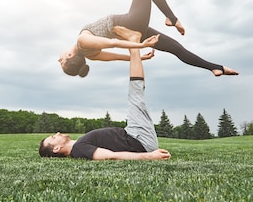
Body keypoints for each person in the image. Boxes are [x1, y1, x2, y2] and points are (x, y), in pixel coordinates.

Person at [58, 0, 239, 78]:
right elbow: (114, 45)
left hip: (133, 32)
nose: (59, 59)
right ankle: (172, 18)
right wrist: (141, 45)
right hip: (130, 24)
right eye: (62, 61)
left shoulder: (92, 56)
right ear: (70, 55)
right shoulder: (83, 41)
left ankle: (215, 68)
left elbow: (119, 57)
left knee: (174, 47)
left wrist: (142, 58)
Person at [40, 29, 171, 160]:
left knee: (137, 92)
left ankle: (134, 45)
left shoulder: (79, 145)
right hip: (137, 138)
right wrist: (150, 156)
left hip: (136, 136)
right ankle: (133, 42)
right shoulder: (79, 149)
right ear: (56, 149)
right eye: (53, 137)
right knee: (135, 92)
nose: (56, 133)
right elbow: (111, 156)